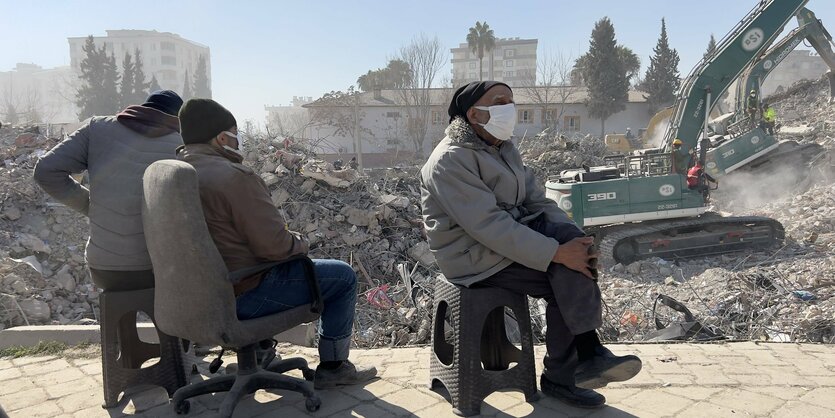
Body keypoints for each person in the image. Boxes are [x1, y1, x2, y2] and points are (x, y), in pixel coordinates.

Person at [420, 81, 642, 409]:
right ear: (474, 113)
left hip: (509, 237)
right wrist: (555, 253)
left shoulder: (503, 148)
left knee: (575, 253)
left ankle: (587, 353)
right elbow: (488, 226)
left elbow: (538, 201)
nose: (509, 108)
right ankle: (564, 373)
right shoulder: (450, 160)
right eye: (499, 102)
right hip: (472, 255)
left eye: (511, 101)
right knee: (562, 274)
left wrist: (575, 239)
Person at [175, 98, 376, 389]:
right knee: (342, 276)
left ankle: (258, 351)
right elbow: (275, 247)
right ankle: (334, 367)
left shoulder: (171, 175)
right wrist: (301, 243)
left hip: (193, 300)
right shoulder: (233, 178)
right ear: (221, 137)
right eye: (234, 132)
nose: (237, 139)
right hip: (242, 296)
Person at [34, 90, 184, 291]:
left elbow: (46, 170)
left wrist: (90, 205)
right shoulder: (183, 147)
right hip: (158, 269)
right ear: (177, 119)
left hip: (104, 268)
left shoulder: (97, 128)